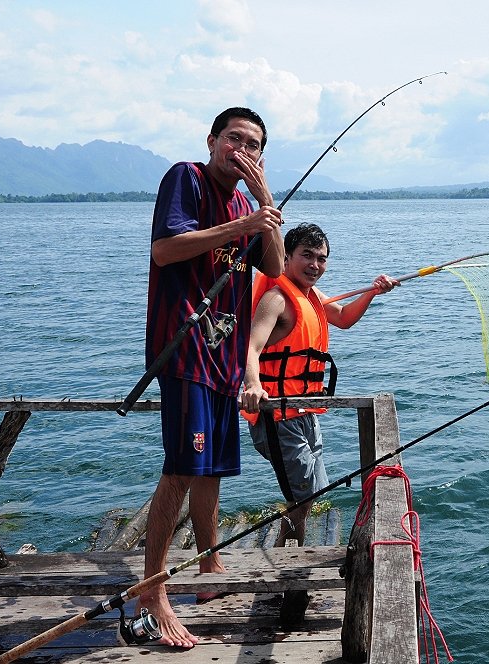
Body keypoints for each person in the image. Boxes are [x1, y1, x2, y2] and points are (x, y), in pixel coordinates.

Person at [138, 107, 285, 649]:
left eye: (254, 145)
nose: (242, 150)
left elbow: (271, 265)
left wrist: (265, 203)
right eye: (234, 139)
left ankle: (209, 566)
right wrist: (241, 225)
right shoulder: (187, 178)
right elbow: (165, 249)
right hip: (185, 350)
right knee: (180, 468)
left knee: (211, 469)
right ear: (212, 140)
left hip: (224, 355)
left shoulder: (248, 201)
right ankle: (152, 591)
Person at [240, 223, 398, 550]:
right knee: (302, 494)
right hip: (278, 417)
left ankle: (287, 554)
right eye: (307, 256)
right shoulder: (277, 298)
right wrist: (253, 385)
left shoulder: (310, 296)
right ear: (285, 258)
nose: (315, 265)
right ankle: (290, 569)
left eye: (322, 259)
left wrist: (372, 291)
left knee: (311, 492)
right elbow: (250, 348)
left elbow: (342, 317)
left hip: (304, 411)